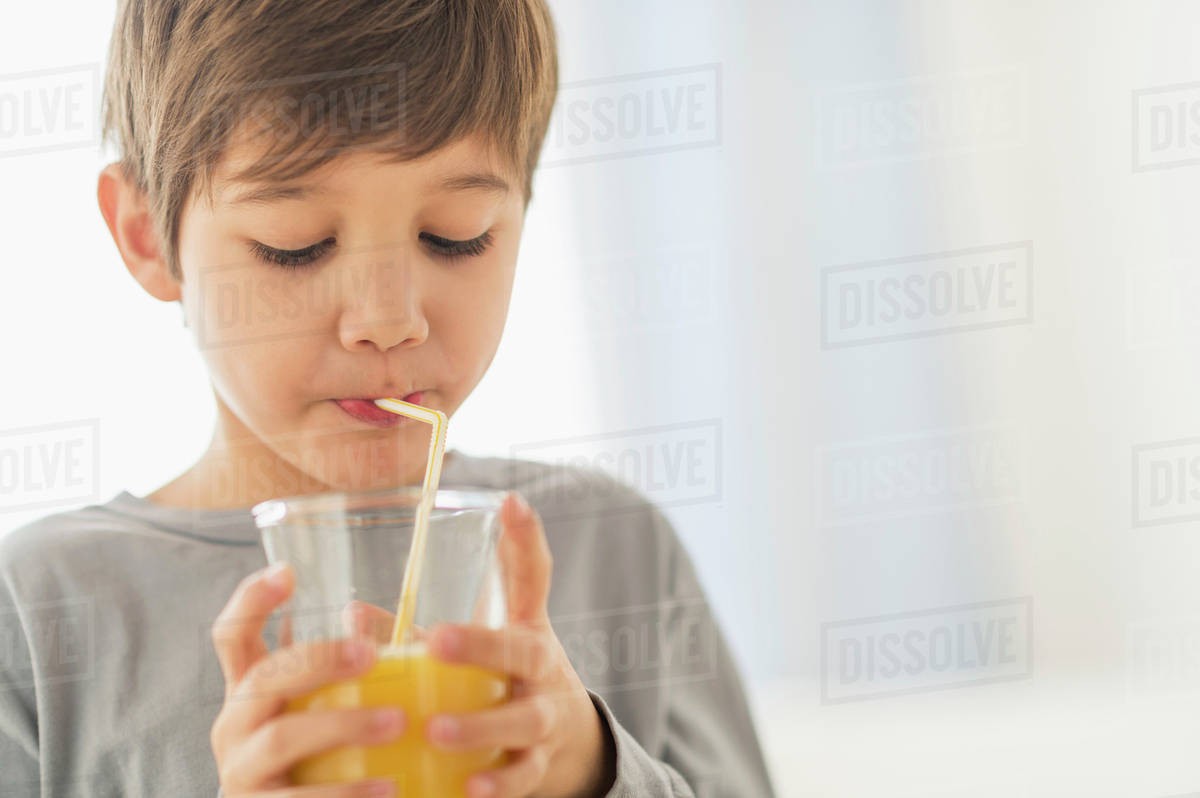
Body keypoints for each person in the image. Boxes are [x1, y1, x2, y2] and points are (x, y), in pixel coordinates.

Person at [0, 1, 776, 796]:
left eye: (456, 234)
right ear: (146, 236)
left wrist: (592, 768)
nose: (388, 321)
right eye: (294, 245)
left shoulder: (612, 546)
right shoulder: (37, 613)